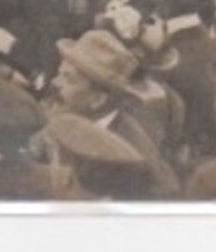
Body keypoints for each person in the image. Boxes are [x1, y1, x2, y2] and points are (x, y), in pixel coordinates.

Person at [45, 30, 181, 199]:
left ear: (98, 99)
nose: (55, 84)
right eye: (60, 73)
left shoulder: (133, 156)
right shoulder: (59, 120)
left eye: (69, 79)